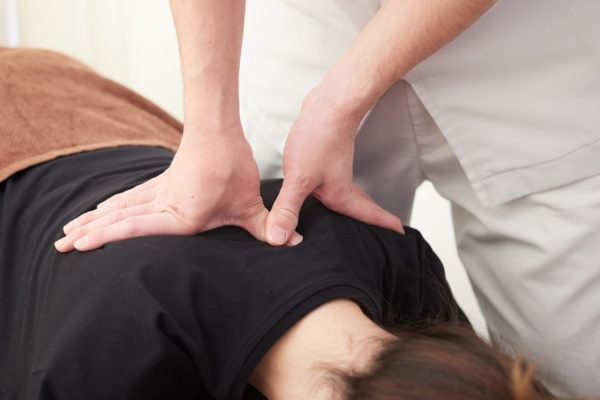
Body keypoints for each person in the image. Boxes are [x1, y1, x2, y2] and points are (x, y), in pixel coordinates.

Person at [55, 0, 600, 396]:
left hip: (526, 48)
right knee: (293, 293)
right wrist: (209, 125)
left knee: (580, 370)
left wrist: (339, 103)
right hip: (314, 31)